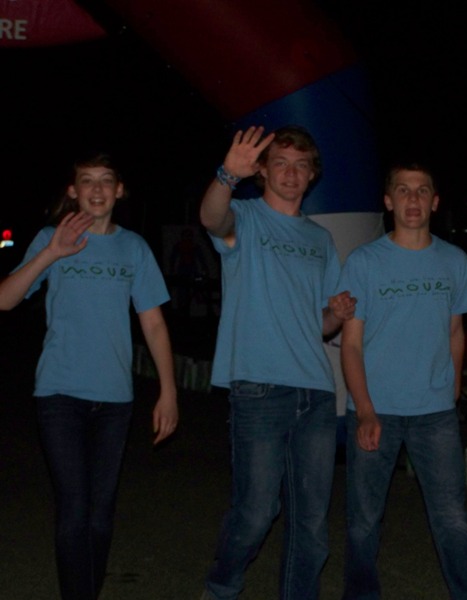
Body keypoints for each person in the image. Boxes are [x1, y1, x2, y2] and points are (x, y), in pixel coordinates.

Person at [0, 153, 178, 600]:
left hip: (115, 399)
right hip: (59, 393)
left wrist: (169, 392)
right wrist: (52, 253)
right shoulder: (50, 237)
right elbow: (5, 299)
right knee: (74, 510)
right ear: (73, 191)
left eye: (105, 181)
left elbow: (154, 324)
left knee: (100, 516)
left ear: (119, 190)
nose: (96, 190)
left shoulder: (134, 248)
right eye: (86, 181)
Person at [199, 125, 355, 600]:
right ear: (262, 171)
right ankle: (221, 586)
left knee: (312, 523)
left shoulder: (320, 239)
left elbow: (321, 325)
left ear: (312, 175)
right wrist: (227, 175)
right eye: (281, 163)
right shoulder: (245, 218)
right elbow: (210, 218)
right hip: (259, 388)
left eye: (301, 165)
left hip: (316, 391)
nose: (291, 173)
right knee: (256, 512)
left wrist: (337, 314)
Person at [339, 163, 467, 600]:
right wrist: (365, 411)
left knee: (452, 519)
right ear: (388, 201)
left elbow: (455, 332)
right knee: (363, 521)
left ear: (435, 201)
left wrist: (453, 387)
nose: (413, 199)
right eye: (403, 190)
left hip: (435, 414)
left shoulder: (455, 261)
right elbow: (351, 345)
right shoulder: (364, 262)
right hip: (376, 410)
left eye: (422, 190)